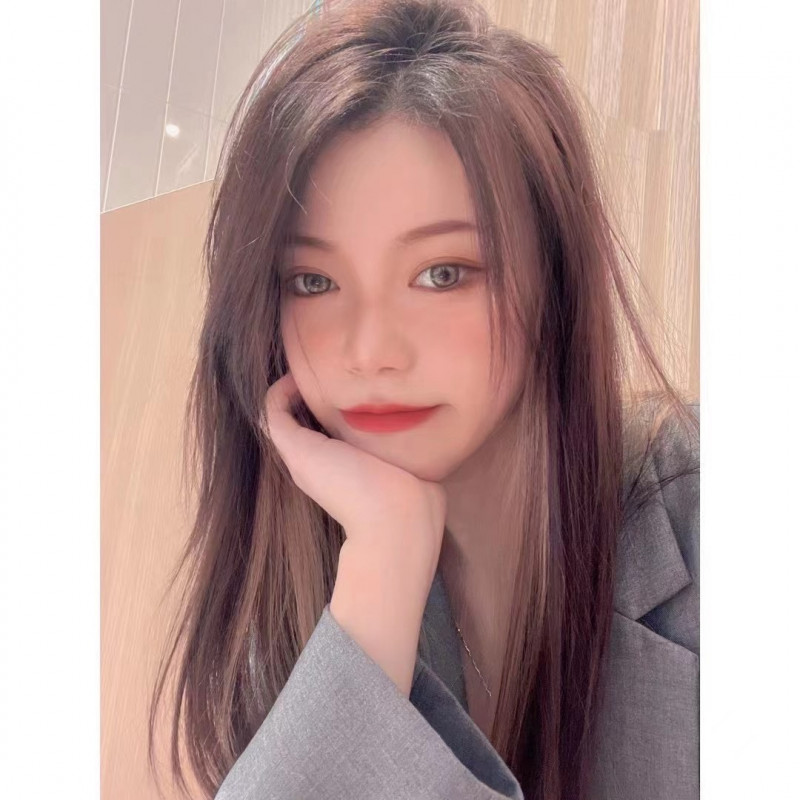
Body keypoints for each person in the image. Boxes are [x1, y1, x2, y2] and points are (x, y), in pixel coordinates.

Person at [148, 1, 700, 798]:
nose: (370, 351)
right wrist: (384, 559)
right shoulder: (313, 597)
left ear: (554, 275)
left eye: (442, 274)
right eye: (314, 282)